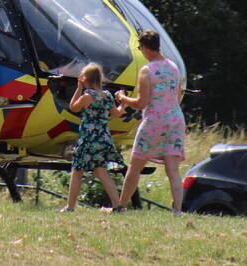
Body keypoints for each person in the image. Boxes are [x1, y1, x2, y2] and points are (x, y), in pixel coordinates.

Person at [115, 29, 186, 215]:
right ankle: (178, 210)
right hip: (175, 119)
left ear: (145, 47)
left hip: (154, 121)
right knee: (173, 170)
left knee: (135, 166)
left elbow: (141, 103)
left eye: (140, 47)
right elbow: (178, 96)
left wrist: (123, 98)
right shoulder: (173, 66)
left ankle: (120, 206)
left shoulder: (147, 70)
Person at [61, 63, 125, 212]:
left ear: (85, 79)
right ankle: (118, 205)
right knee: (102, 172)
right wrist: (123, 103)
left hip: (89, 139)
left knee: (77, 171)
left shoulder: (87, 96)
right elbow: (117, 113)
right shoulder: (107, 96)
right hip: (103, 138)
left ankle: (70, 207)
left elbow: (73, 107)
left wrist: (78, 88)